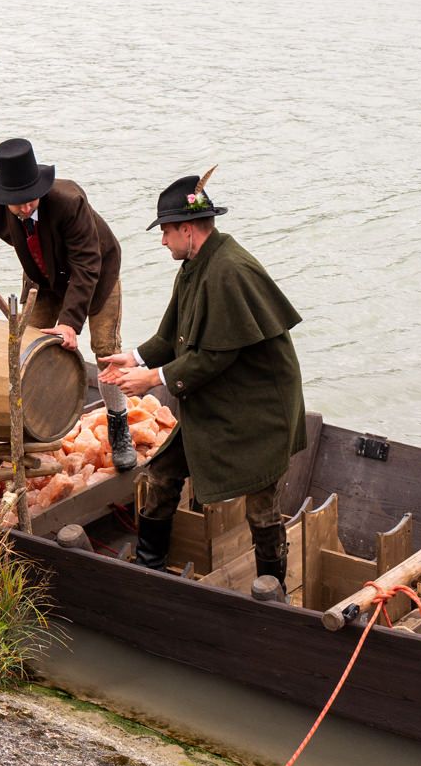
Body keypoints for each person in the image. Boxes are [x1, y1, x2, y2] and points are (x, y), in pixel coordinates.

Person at [98, 170, 306, 583]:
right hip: (218, 403)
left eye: (166, 232)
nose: (162, 241)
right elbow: (171, 336)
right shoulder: (194, 265)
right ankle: (151, 568)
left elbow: (213, 358)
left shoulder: (230, 271)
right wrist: (133, 358)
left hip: (261, 413)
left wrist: (152, 378)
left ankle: (273, 589)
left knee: (260, 509)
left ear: (188, 230)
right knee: (160, 474)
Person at [0, 138, 138, 470]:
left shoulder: (69, 202)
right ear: (2, 197)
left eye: (30, 200)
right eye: (16, 203)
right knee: (28, 349)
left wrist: (69, 323)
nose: (25, 208)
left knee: (106, 350)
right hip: (43, 279)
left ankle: (118, 424)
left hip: (96, 273)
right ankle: (37, 428)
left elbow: (87, 265)